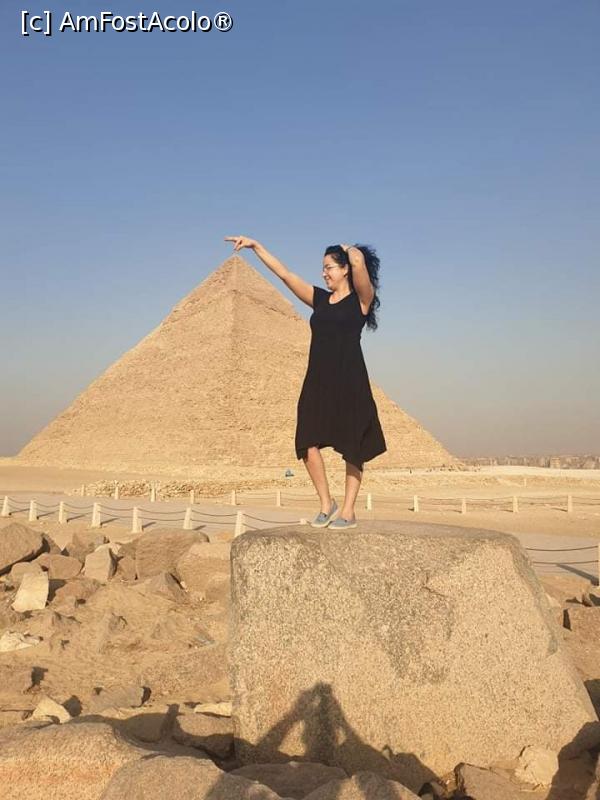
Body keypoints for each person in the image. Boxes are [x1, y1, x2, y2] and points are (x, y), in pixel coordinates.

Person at [224, 236, 387, 528]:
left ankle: (348, 511)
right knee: (307, 440)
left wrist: (347, 248)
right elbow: (285, 275)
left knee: (353, 446)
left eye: (329, 267)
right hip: (317, 380)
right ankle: (326, 503)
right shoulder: (319, 300)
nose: (324, 273)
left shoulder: (361, 301)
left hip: (350, 380)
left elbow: (359, 261)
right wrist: (256, 246)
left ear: (345, 269)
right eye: (323, 268)